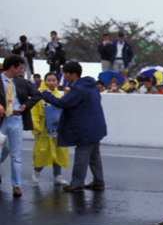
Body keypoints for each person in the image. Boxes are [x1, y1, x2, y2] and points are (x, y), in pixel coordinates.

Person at [40, 61, 107, 192]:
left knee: (81, 156)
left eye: (65, 73)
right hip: (97, 126)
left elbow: (63, 103)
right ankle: (99, 181)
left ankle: (77, 183)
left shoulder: (78, 89)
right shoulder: (90, 86)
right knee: (94, 156)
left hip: (85, 128)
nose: (63, 76)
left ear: (73, 75)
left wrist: (46, 95)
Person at [0, 55, 43, 197]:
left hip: (16, 120)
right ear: (12, 67)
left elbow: (37, 95)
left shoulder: (21, 82)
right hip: (1, 121)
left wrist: (25, 106)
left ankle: (16, 186)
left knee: (16, 155)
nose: (22, 70)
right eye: (20, 67)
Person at [30, 72, 69, 185]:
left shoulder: (60, 96)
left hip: (57, 130)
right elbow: (34, 112)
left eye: (53, 80)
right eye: (49, 80)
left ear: (57, 82)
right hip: (43, 130)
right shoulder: (39, 95)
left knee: (59, 153)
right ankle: (37, 172)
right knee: (42, 152)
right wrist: (36, 126)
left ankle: (58, 175)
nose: (51, 83)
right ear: (45, 81)